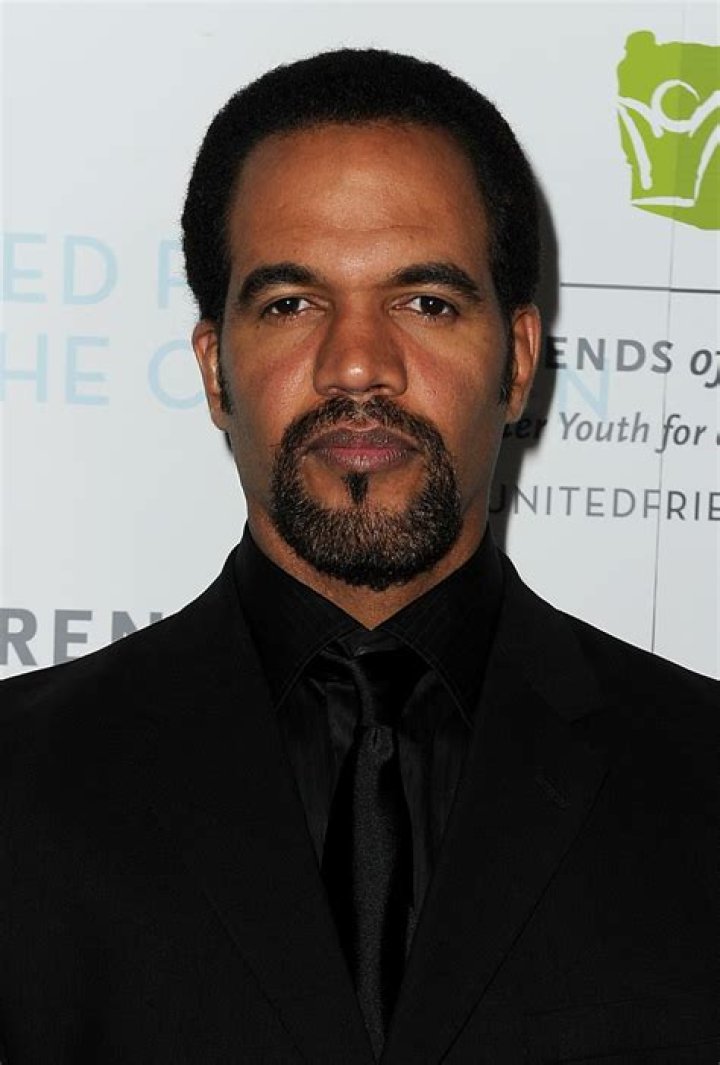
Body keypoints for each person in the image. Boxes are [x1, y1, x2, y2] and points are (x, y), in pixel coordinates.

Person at [0, 48, 718, 1065]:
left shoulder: (699, 777)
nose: (356, 366)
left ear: (518, 361)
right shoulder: (20, 784)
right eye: (291, 303)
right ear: (216, 369)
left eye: (426, 302)